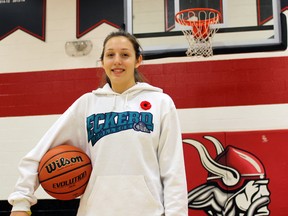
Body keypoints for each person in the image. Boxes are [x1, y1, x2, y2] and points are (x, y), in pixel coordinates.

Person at [8, 30, 188, 216]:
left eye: (125, 54)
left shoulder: (161, 103)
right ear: (102, 62)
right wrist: (21, 202)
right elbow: (39, 153)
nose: (117, 60)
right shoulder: (87, 104)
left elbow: (173, 170)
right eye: (110, 55)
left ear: (138, 61)